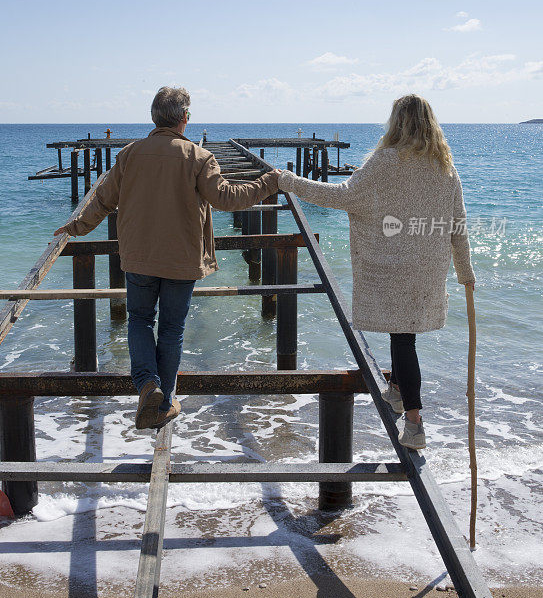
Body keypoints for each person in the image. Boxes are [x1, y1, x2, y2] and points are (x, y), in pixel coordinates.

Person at [54, 87, 280, 430]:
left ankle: (147, 385)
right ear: (185, 119)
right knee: (171, 329)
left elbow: (102, 200)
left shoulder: (130, 154)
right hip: (181, 258)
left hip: (138, 256)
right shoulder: (198, 157)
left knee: (140, 320)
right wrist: (269, 182)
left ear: (154, 117)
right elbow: (227, 198)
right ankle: (164, 402)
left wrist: (76, 227)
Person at [278, 94, 476, 450]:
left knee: (402, 336)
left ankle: (414, 423)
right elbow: (458, 226)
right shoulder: (445, 167)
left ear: (397, 122)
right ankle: (398, 392)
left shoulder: (385, 161)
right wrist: (465, 272)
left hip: (393, 267)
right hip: (428, 267)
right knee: (405, 333)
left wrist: (290, 182)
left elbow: (340, 196)